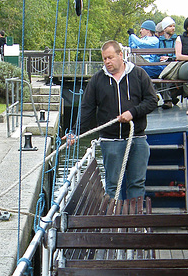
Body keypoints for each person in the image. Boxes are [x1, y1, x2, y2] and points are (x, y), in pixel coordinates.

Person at [65, 40, 158, 200]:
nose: (107, 62)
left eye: (110, 57)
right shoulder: (97, 80)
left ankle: (134, 222)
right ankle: (114, 222)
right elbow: (87, 109)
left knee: (137, 183)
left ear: (120, 55)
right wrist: (74, 132)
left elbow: (152, 101)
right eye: (104, 59)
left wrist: (132, 112)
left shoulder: (139, 74)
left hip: (137, 138)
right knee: (112, 185)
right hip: (110, 140)